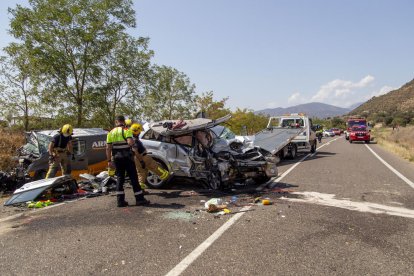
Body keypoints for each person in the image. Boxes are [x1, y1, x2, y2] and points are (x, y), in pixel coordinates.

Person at [106, 116, 150, 207]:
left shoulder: (111, 132)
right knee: (134, 178)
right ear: (123, 121)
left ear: (116, 122)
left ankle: (120, 201)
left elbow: (108, 148)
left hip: (117, 159)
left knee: (120, 178)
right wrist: (140, 158)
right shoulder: (126, 130)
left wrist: (109, 161)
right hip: (127, 158)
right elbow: (130, 142)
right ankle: (140, 199)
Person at [130, 123, 169, 192]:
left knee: (141, 173)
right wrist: (141, 161)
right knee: (155, 166)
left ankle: (141, 190)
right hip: (142, 157)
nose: (140, 133)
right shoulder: (135, 141)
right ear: (137, 132)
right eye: (139, 132)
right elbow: (135, 151)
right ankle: (165, 176)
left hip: (137, 159)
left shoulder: (132, 139)